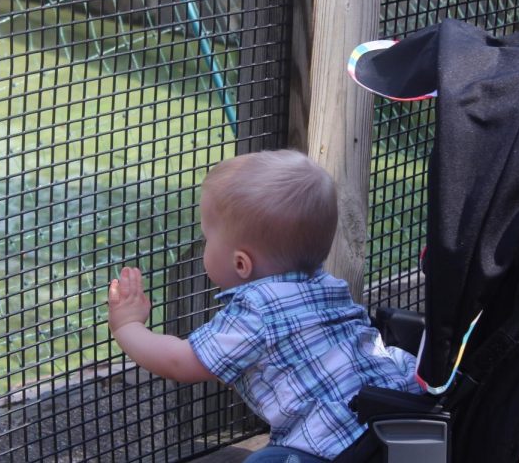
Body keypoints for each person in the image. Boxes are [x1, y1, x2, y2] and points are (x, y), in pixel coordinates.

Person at [107, 150, 421, 462]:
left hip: (340, 447)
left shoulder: (255, 312)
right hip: (399, 413)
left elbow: (180, 362)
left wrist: (128, 326)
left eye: (206, 238)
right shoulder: (328, 285)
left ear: (241, 263)